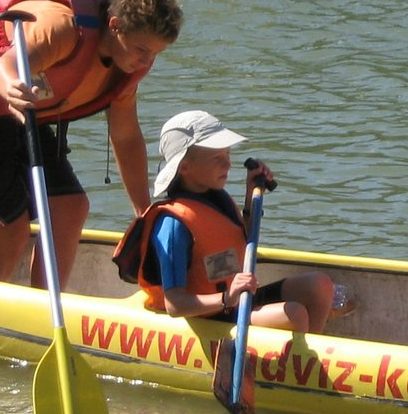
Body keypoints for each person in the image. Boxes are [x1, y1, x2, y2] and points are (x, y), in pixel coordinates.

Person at [0, 0, 182, 287]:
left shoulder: (126, 68)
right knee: (11, 232)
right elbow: (4, 67)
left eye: (156, 53)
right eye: (141, 49)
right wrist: (12, 86)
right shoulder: (62, 29)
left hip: (26, 113)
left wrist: (142, 210)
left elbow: (125, 137)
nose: (146, 62)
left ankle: (43, 307)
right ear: (115, 26)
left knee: (71, 207)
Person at [128, 111, 334, 333]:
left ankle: (309, 361)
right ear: (185, 167)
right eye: (217, 158)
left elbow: (240, 241)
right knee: (293, 314)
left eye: (227, 154)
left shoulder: (217, 199)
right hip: (209, 316)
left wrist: (251, 194)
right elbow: (175, 305)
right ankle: (300, 365)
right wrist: (227, 297)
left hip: (237, 302)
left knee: (319, 285)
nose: (227, 164)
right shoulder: (173, 224)